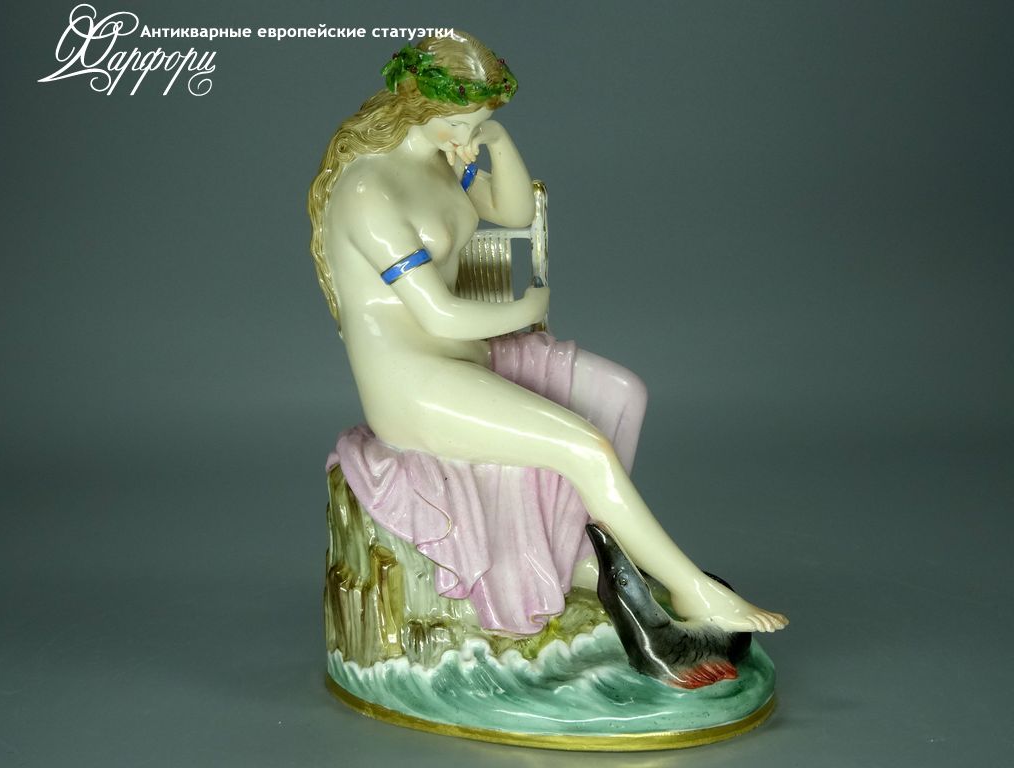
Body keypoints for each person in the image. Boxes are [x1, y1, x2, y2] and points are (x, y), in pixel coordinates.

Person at [307, 32, 787, 634]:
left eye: (478, 121)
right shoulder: (368, 189)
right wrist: (528, 306)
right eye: (457, 121)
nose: (466, 134)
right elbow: (440, 316)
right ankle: (693, 590)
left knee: (621, 393)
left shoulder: (440, 153)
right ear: (413, 105)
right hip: (413, 383)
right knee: (587, 447)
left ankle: (575, 551)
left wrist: (495, 140)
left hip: (471, 358)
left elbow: (511, 212)